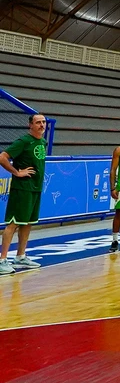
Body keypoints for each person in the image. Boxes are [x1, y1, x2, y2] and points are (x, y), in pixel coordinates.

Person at [0, 114, 49, 275]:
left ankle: (20, 256)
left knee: (27, 222)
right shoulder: (23, 141)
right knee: (13, 223)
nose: (42, 125)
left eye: (43, 122)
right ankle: (2, 260)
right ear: (30, 125)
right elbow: (3, 157)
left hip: (35, 188)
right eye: (38, 122)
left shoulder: (42, 141)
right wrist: (16, 172)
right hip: (22, 188)